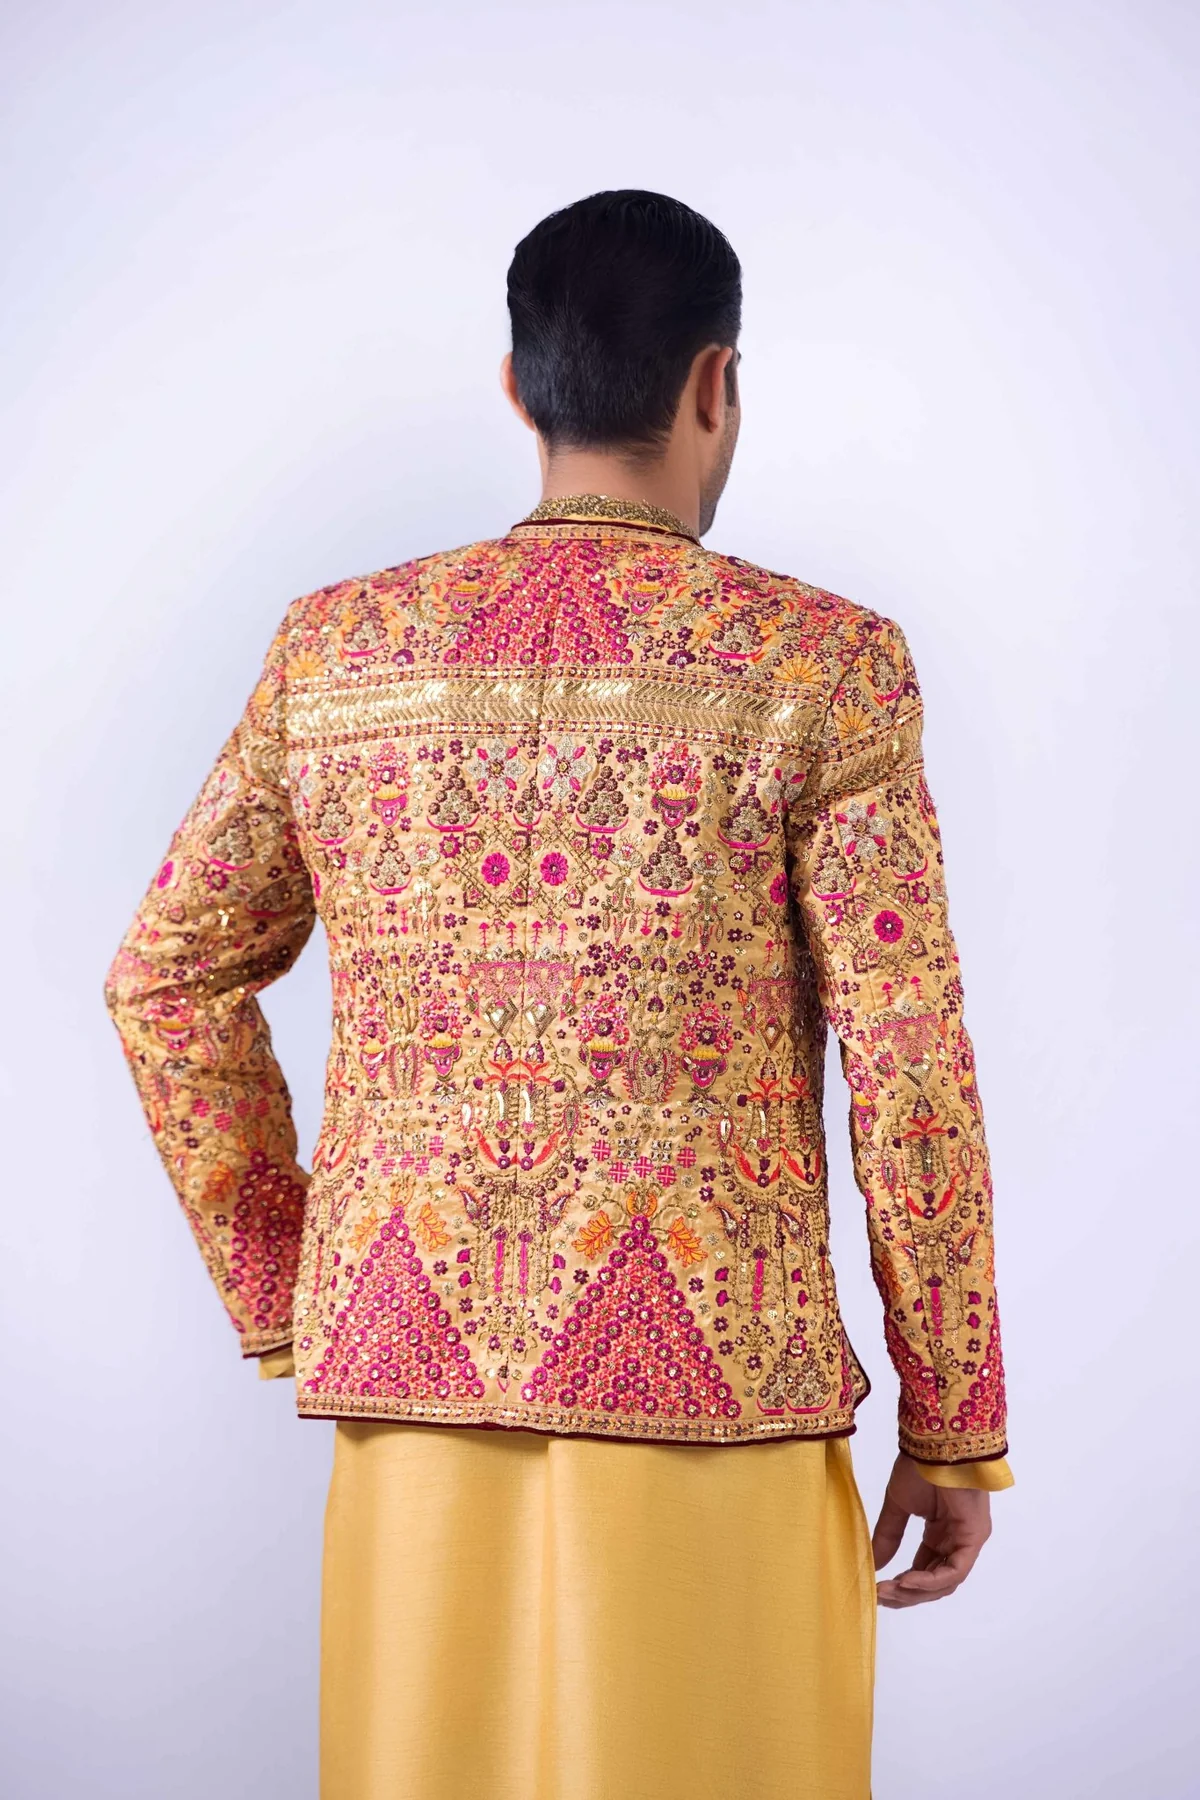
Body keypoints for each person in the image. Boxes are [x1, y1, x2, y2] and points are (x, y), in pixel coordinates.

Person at [107, 189, 1011, 1800]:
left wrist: (295, 1278)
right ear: (716, 383)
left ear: (520, 387)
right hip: (722, 1397)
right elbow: (910, 1067)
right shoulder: (823, 663)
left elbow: (166, 978)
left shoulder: (338, 652)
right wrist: (952, 1422)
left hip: (413, 1388)